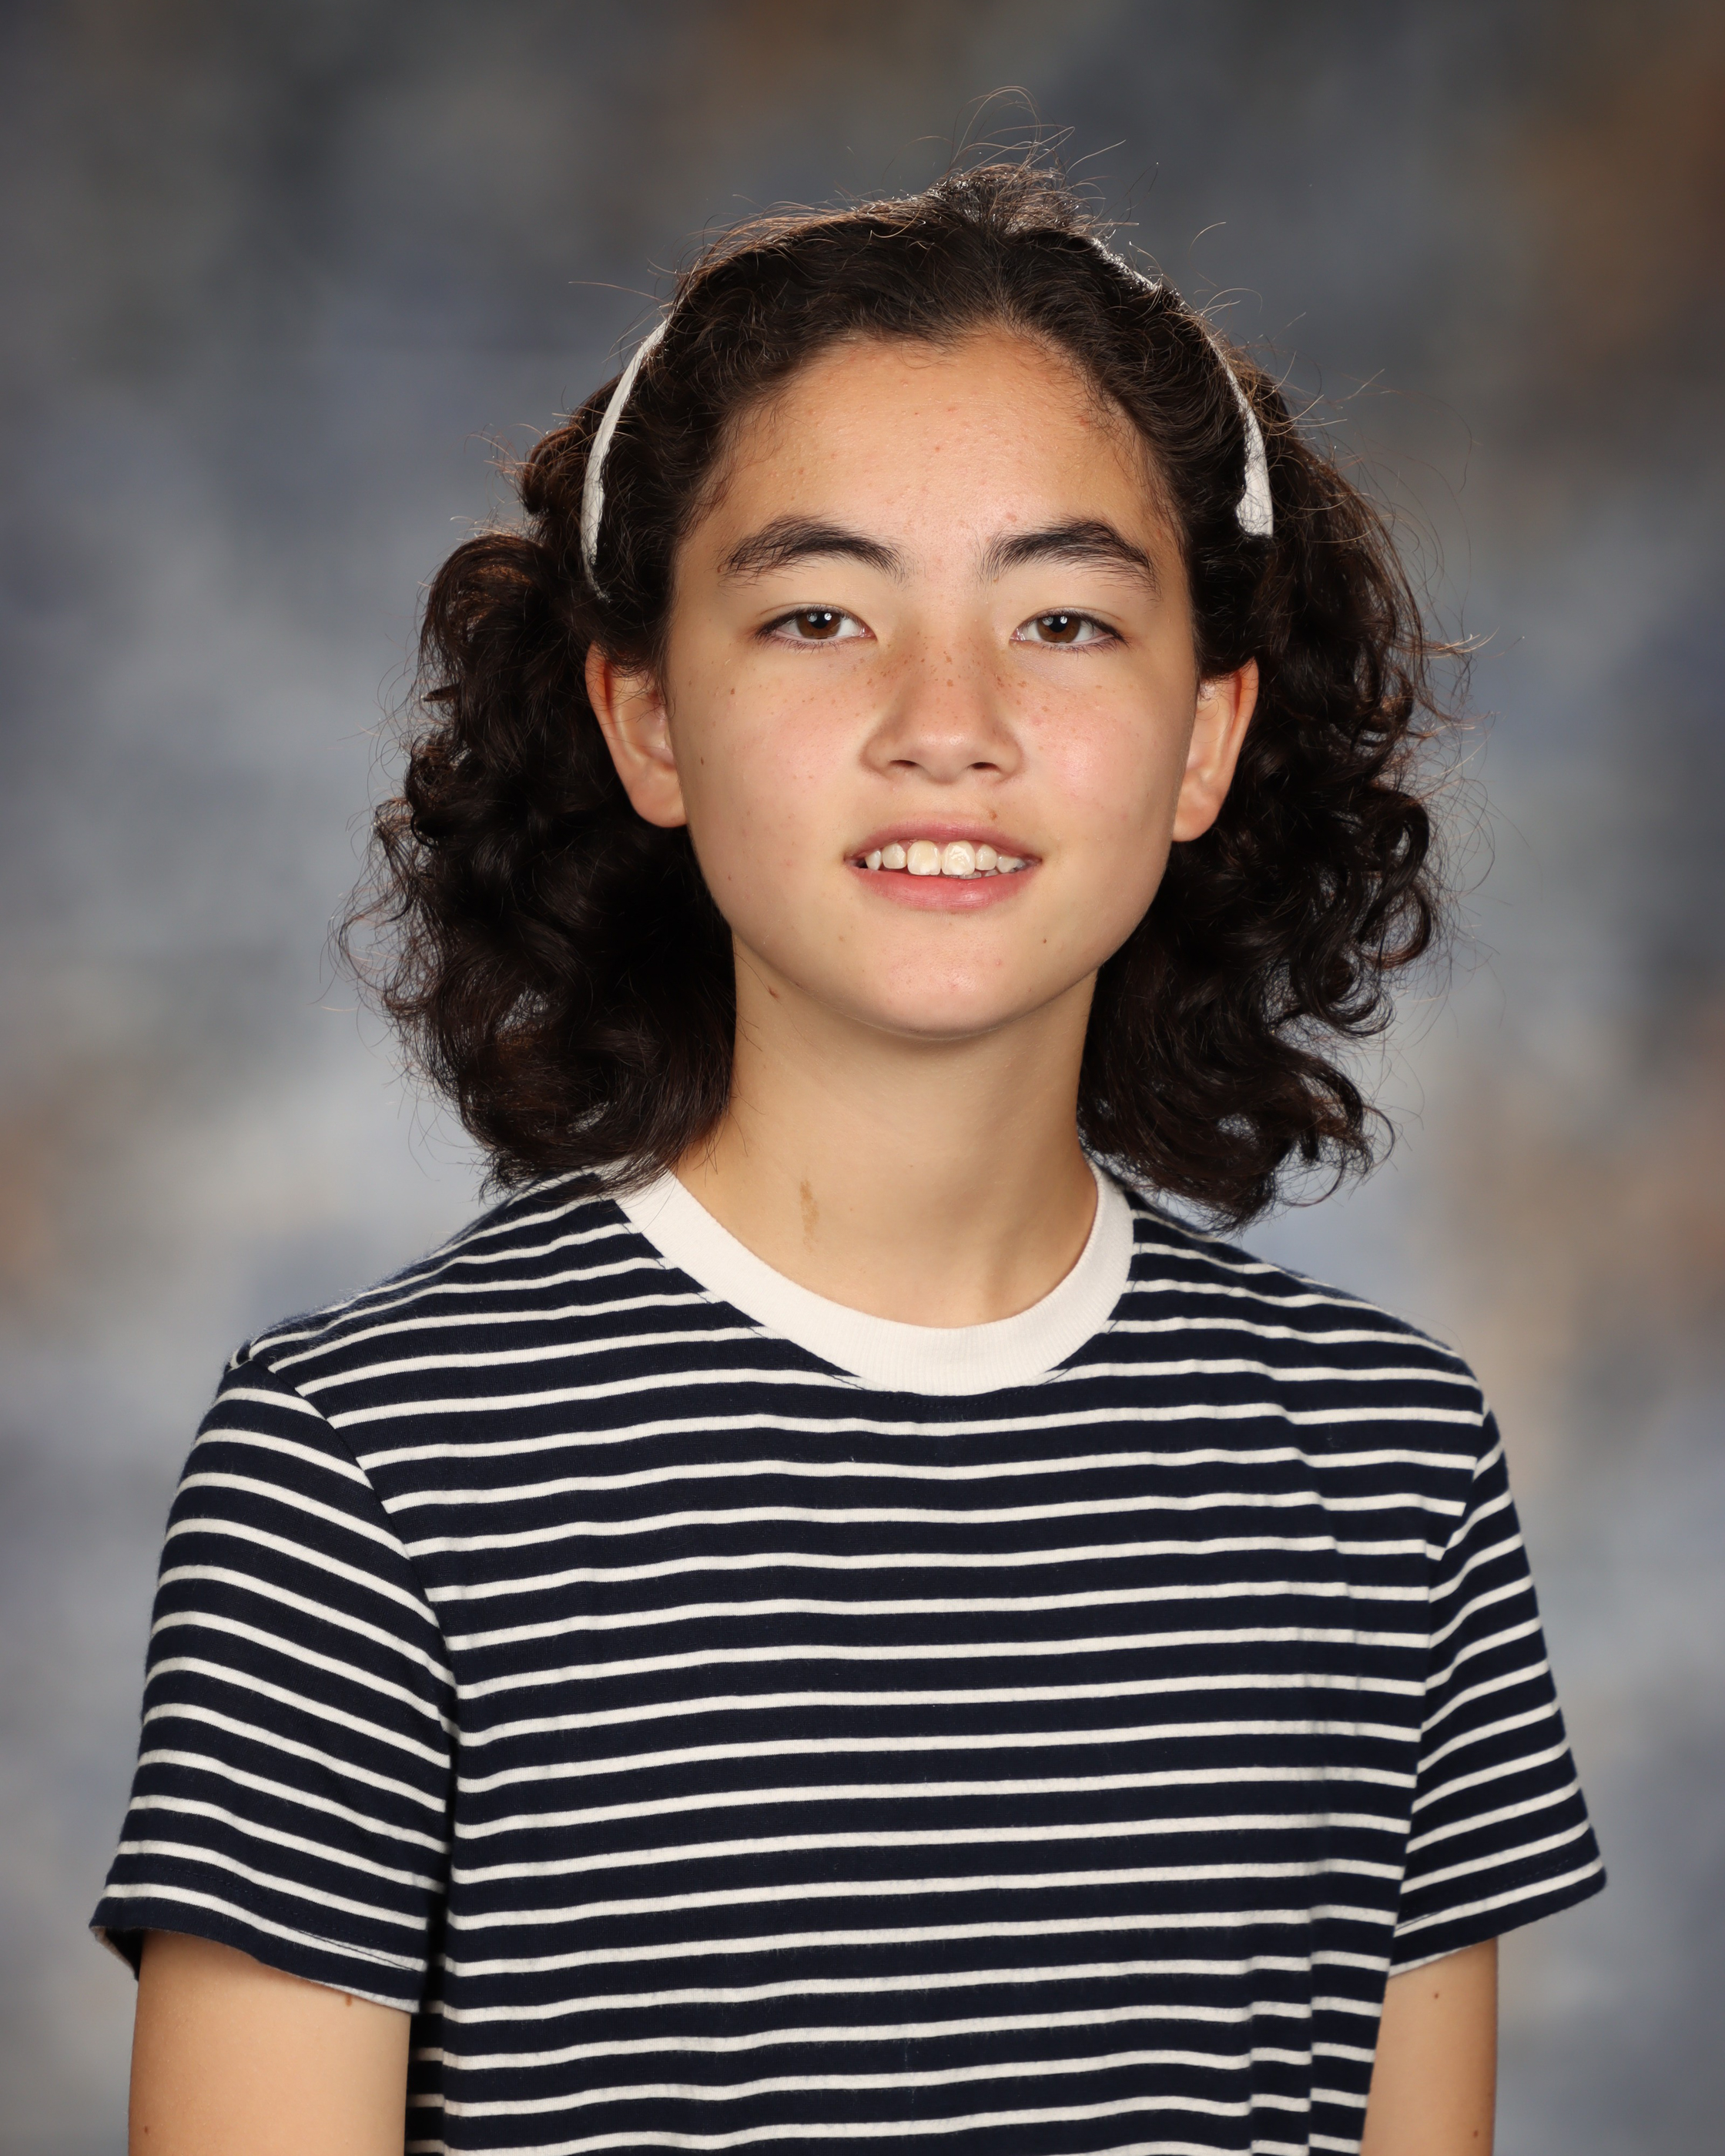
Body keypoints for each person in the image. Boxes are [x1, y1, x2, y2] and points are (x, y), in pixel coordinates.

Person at [95, 162, 1603, 2156]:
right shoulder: (364, 1471)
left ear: (1206, 737)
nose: (945, 723)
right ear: (648, 718)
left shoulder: (1387, 1471)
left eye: (1063, 619)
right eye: (820, 615)